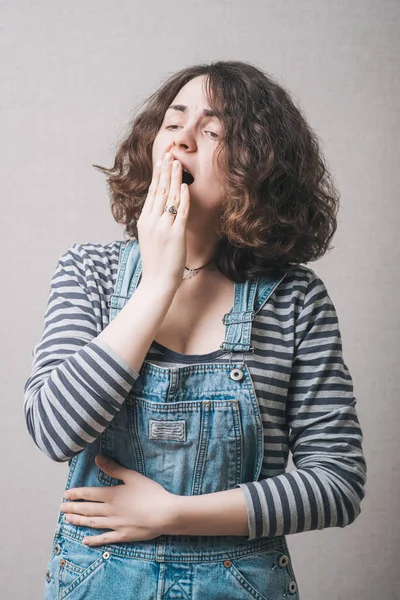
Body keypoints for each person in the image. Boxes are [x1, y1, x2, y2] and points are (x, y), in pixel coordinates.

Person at [23, 60, 367, 600]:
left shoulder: (296, 300)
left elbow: (338, 484)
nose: (182, 139)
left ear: (258, 165)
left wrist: (173, 514)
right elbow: (52, 428)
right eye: (173, 121)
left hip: (242, 585)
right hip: (98, 580)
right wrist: (157, 285)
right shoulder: (89, 271)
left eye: (212, 131)